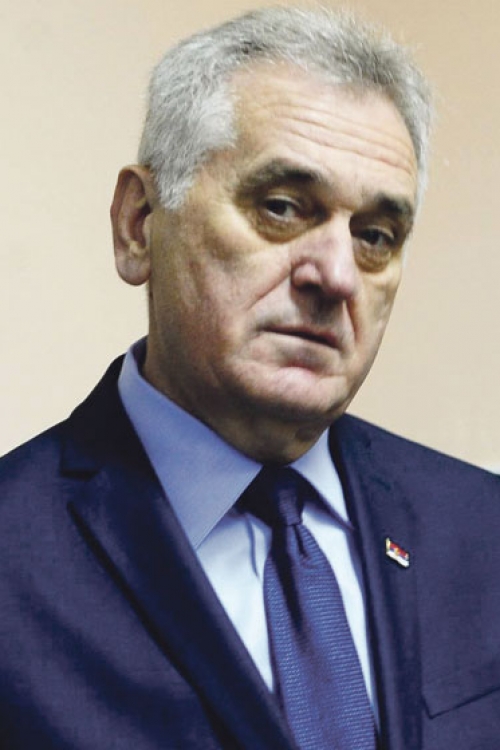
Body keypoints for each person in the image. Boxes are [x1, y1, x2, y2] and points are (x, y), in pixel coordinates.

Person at [1, 6, 499, 749]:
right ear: (139, 224)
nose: (337, 276)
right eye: (282, 208)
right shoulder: (14, 556)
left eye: (375, 236)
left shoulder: (483, 529)